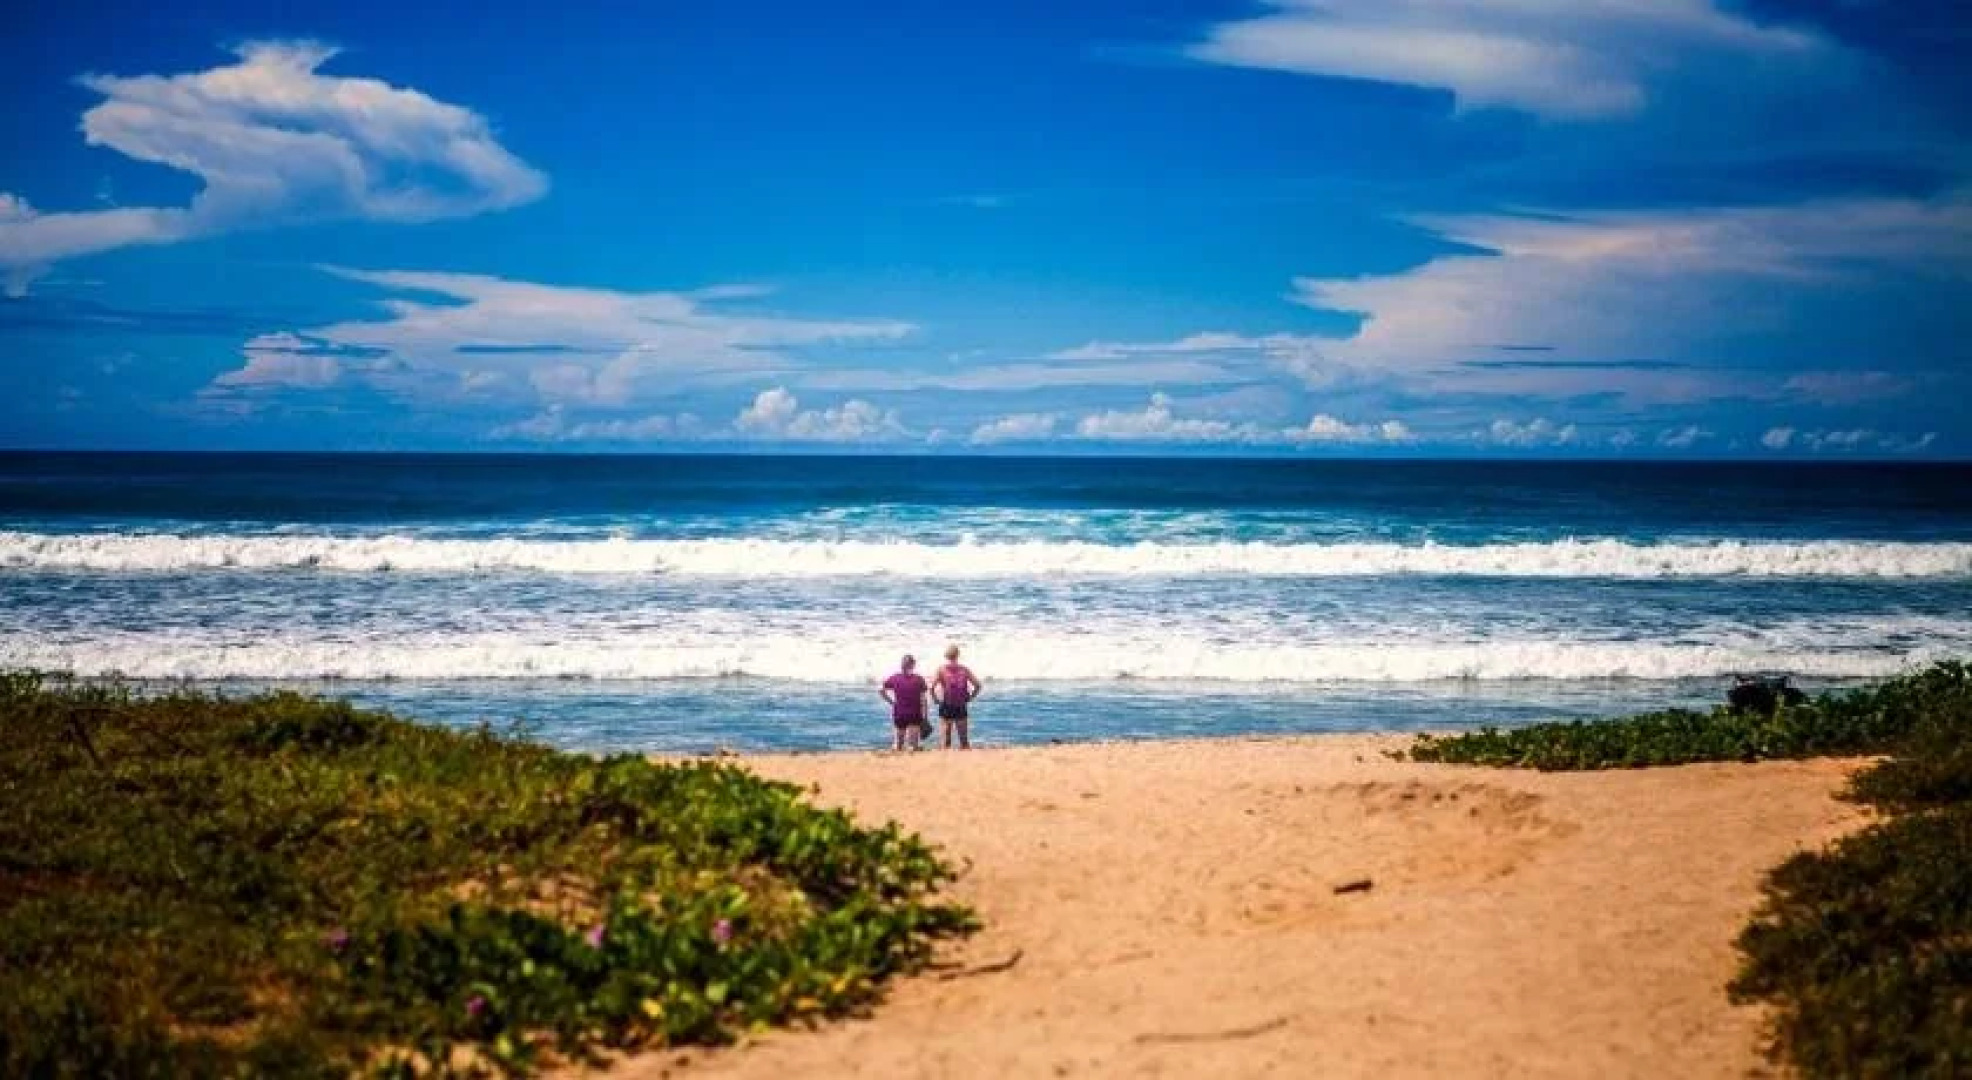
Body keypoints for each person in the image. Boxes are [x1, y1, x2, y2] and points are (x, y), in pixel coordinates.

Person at [931, 644, 982, 750]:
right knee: (964, 741)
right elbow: (978, 685)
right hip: (960, 705)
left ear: (946, 656)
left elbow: (931, 687)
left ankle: (946, 763)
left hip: (946, 705)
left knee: (946, 741)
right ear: (957, 655)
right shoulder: (964, 669)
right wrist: (971, 698)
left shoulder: (941, 669)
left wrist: (935, 699)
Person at [880, 654, 930, 752]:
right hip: (914, 714)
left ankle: (896, 757)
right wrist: (925, 717)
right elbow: (924, 700)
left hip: (899, 713)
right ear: (913, 665)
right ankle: (910, 759)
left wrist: (891, 702)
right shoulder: (919, 679)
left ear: (902, 665)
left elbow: (881, 690)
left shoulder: (894, 678)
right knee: (912, 745)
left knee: (898, 744)